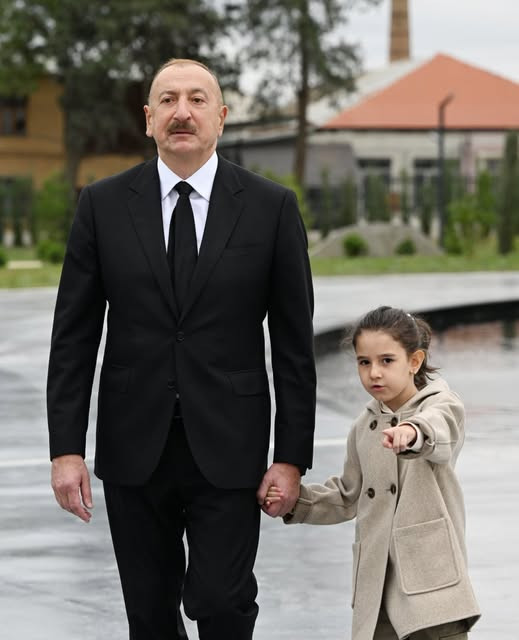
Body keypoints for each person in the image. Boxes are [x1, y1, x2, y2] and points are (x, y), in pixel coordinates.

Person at [47, 58, 316, 640]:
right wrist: (66, 449)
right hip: (133, 446)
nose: (182, 112)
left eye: (197, 99)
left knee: (222, 600)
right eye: (168, 100)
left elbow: (295, 345)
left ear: (221, 116)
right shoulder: (103, 205)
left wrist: (292, 457)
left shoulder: (271, 208)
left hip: (231, 446)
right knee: (149, 616)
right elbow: (73, 336)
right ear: (148, 119)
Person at [266, 306, 480, 640]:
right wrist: (294, 501)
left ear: (415, 361)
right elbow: (347, 495)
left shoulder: (442, 404)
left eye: (386, 360)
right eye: (364, 362)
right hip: (377, 586)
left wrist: (412, 432)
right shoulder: (363, 427)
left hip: (431, 585)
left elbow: (439, 429)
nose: (374, 373)